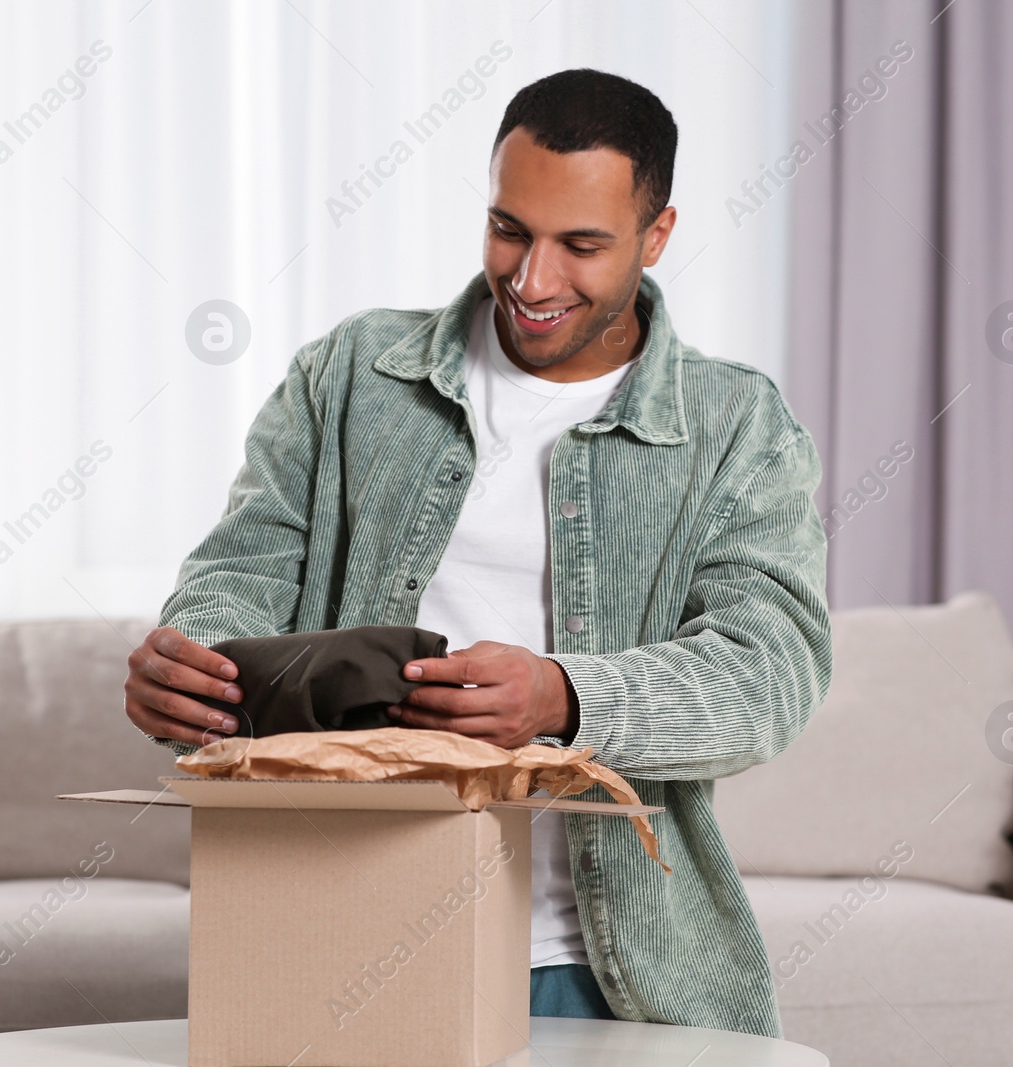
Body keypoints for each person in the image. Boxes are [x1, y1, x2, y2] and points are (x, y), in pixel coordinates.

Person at [124, 67, 831, 1037]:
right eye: (511, 229)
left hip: (607, 964)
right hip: (339, 924)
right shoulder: (352, 374)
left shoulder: (736, 425)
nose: (533, 280)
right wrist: (193, 660)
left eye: (581, 245)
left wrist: (564, 697)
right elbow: (240, 573)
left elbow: (769, 673)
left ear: (656, 235)